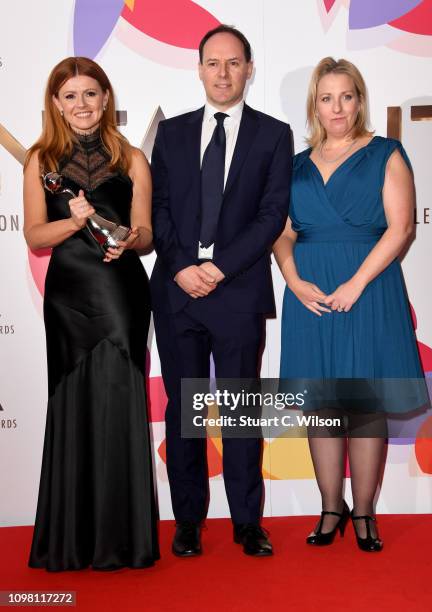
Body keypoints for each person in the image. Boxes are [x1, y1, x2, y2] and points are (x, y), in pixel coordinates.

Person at [274, 57, 426, 552]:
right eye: (326, 97)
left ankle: (364, 513)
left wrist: (357, 283)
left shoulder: (386, 153)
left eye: (346, 96)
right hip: (311, 295)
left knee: (364, 404)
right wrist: (294, 280)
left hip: (370, 287)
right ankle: (330, 509)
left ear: (359, 100)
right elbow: (283, 234)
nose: (336, 107)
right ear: (314, 106)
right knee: (321, 406)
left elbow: (401, 228)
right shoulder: (294, 166)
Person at [150, 25, 292, 557]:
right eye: (213, 62)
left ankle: (247, 522)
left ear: (249, 69)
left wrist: (221, 268)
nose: (223, 72)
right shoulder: (173, 134)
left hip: (237, 292)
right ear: (200, 68)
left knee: (239, 412)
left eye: (234, 62)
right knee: (184, 413)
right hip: (177, 291)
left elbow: (270, 214)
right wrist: (185, 266)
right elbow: (158, 210)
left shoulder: (274, 135)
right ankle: (188, 520)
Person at [24, 57, 159, 571]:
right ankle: (71, 540)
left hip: (121, 292)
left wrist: (127, 239)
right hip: (69, 295)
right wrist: (72, 222)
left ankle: (125, 541)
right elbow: (35, 235)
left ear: (106, 98)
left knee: (121, 396)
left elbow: (145, 234)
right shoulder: (40, 161)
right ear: (56, 103)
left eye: (90, 94)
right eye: (70, 96)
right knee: (72, 400)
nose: (81, 105)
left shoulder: (131, 158)